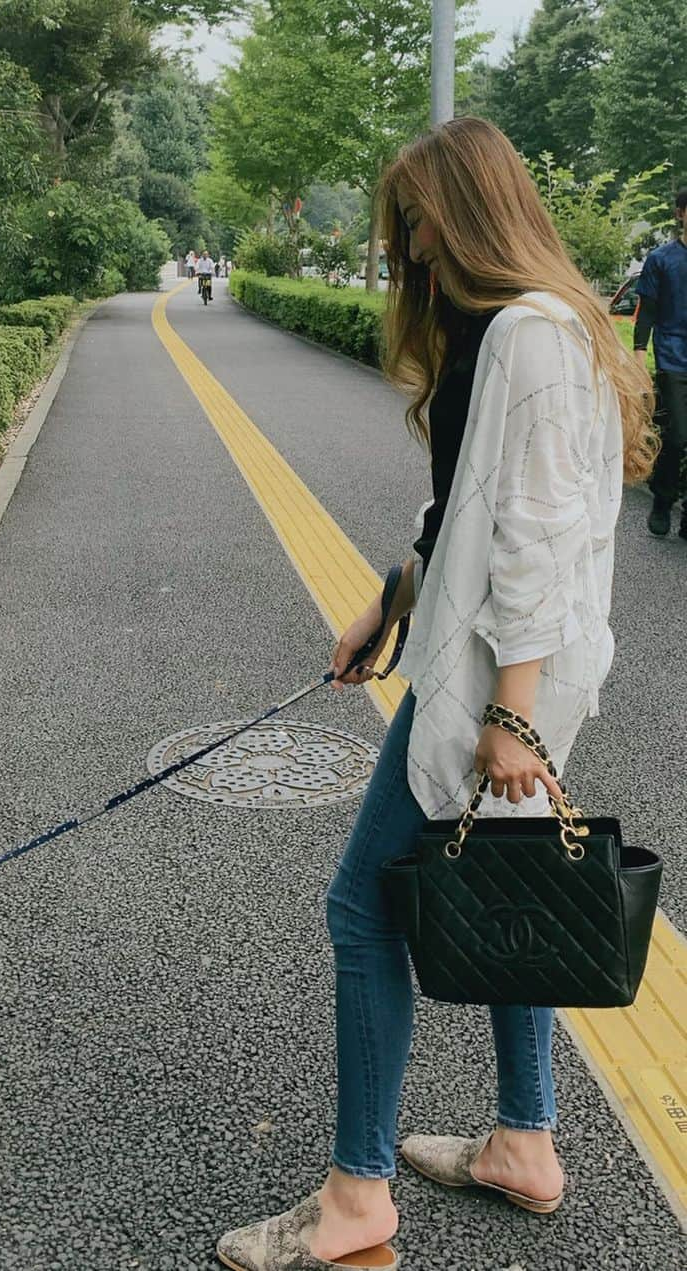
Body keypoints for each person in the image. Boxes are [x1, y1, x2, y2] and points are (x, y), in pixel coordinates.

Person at [215, 117, 656, 1271]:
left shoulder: (536, 336)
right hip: (486, 660)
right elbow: (468, 508)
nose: (404, 243)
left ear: (468, 209)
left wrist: (509, 716)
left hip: (499, 677)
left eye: (414, 217)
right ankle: (525, 1142)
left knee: (363, 908)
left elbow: (539, 543)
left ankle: (356, 1195)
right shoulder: (505, 333)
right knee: (514, 879)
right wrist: (389, 596)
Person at [634, 188, 687, 538]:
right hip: (673, 358)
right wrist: (639, 355)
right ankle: (663, 500)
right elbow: (647, 314)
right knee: (679, 437)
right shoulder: (661, 259)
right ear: (681, 213)